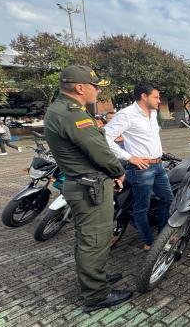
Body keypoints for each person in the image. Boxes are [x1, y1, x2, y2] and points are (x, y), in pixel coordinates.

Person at [43, 65, 131, 312]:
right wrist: (118, 171)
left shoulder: (61, 110)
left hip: (83, 184)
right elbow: (99, 151)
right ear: (80, 88)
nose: (97, 92)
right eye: (94, 87)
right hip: (89, 187)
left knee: (90, 238)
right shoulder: (72, 114)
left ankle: (96, 279)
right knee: (94, 240)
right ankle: (96, 295)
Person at [104, 82, 174, 251]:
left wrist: (159, 151)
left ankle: (163, 234)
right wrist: (129, 157)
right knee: (141, 207)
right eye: (156, 97)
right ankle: (148, 241)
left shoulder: (153, 113)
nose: (159, 101)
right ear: (144, 96)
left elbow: (149, 137)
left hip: (158, 165)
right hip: (141, 169)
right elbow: (105, 137)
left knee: (167, 199)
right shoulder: (126, 115)